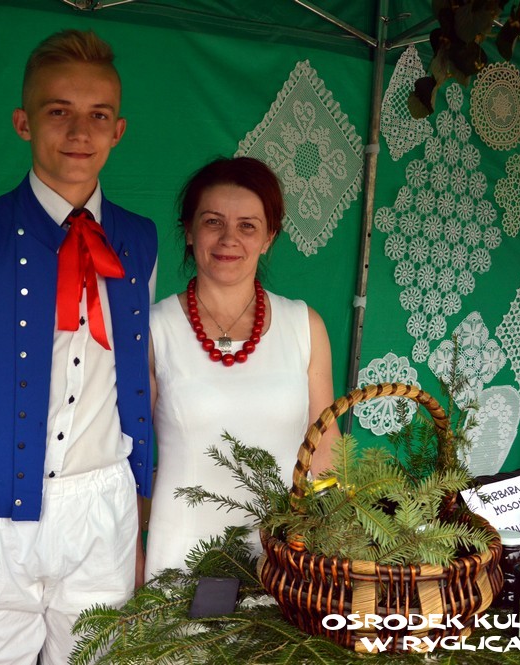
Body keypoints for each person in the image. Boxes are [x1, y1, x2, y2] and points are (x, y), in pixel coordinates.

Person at [0, 30, 157, 664]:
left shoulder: (140, 242)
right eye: (59, 111)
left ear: (118, 131)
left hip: (102, 508)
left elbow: (134, 368)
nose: (79, 131)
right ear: (24, 123)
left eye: (98, 115)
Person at [143, 156, 339, 581]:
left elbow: (325, 450)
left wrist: (338, 543)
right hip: (179, 557)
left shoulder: (304, 325)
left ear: (269, 237)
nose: (229, 238)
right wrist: (132, 556)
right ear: (189, 231)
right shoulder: (154, 328)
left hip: (284, 560)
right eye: (213, 222)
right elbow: (130, 457)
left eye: (247, 226)